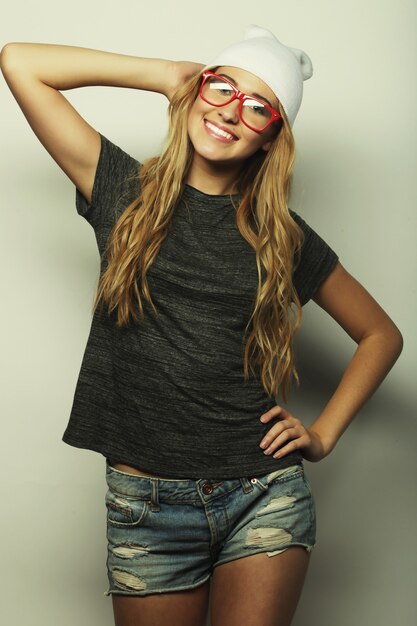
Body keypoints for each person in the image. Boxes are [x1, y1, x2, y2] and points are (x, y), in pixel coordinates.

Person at [0, 25, 403, 626]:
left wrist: (321, 435)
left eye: (258, 106)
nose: (232, 112)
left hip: (262, 494)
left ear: (273, 138)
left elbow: (381, 335)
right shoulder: (121, 189)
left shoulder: (282, 237)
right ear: (199, 91)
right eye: (223, 88)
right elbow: (21, 62)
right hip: (148, 506)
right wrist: (168, 75)